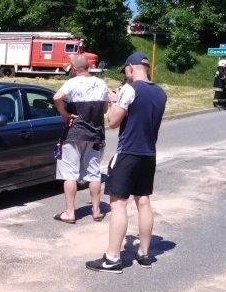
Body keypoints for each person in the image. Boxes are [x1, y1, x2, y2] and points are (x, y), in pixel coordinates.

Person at [86, 52, 167, 273]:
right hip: (148, 154)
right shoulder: (160, 92)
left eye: (126, 72)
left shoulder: (130, 90)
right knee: (144, 202)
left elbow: (112, 122)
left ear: (131, 68)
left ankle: (112, 258)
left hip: (128, 153)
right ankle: (145, 253)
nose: (126, 76)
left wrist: (114, 101)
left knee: (118, 204)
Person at [52, 54, 110, 223]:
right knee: (94, 174)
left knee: (70, 174)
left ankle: (70, 213)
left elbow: (56, 97)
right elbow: (105, 110)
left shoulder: (72, 83)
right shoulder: (101, 83)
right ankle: (97, 211)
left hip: (74, 134)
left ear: (75, 69)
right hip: (95, 135)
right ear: (89, 68)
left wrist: (64, 114)